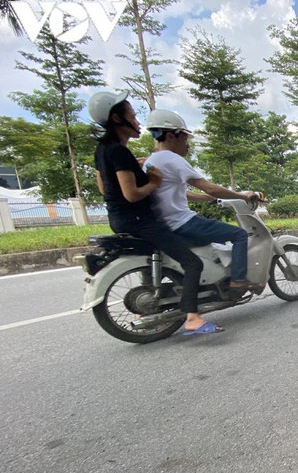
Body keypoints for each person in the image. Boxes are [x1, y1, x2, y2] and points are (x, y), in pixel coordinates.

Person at [89, 90, 223, 335]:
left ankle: (146, 309)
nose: (138, 122)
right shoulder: (119, 152)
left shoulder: (103, 149)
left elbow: (103, 187)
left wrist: (136, 170)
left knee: (159, 256)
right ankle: (193, 317)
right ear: (117, 119)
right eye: (132, 115)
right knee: (192, 262)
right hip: (140, 220)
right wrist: (152, 180)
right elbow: (131, 195)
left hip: (119, 220)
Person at [143, 109, 258, 291]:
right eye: (185, 139)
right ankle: (238, 280)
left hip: (164, 224)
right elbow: (209, 187)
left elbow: (178, 193)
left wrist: (209, 199)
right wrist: (242, 196)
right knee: (239, 235)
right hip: (182, 223)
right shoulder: (173, 160)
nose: (187, 145)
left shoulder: (151, 161)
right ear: (171, 137)